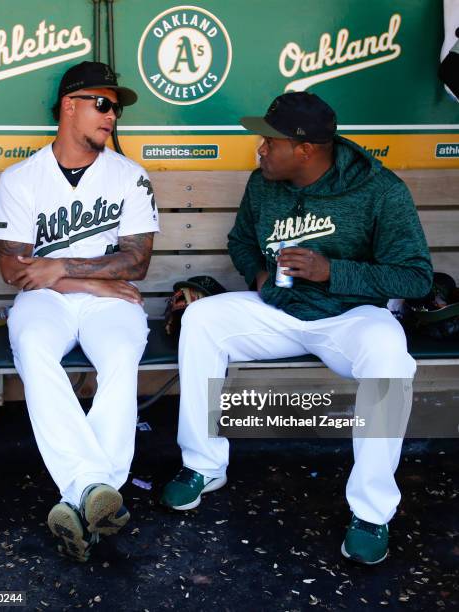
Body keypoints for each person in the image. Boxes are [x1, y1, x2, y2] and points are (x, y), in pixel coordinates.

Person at [161, 92, 433, 565]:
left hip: (350, 317)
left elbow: (415, 276)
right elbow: (242, 240)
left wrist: (335, 272)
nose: (260, 150)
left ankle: (372, 511)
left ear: (306, 148)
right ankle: (203, 465)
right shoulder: (263, 184)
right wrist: (259, 276)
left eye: (270, 142)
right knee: (202, 319)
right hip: (279, 310)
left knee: (390, 357)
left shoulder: (379, 190)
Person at [0, 61, 159, 562]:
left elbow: (137, 261)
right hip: (52, 301)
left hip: (112, 303)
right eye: (102, 104)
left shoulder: (129, 176)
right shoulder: (23, 177)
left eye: (116, 109)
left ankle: (79, 495)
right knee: (35, 347)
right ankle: (96, 488)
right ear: (69, 106)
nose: (111, 117)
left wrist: (59, 264)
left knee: (121, 356)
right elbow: (13, 268)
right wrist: (86, 280)